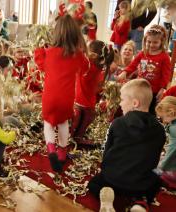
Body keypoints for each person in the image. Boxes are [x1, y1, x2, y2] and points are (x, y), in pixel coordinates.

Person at [88, 79, 166, 211]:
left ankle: (107, 198)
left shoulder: (118, 123)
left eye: (122, 100)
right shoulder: (159, 129)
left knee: (94, 184)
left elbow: (107, 152)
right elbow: (154, 159)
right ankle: (140, 203)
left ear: (135, 103)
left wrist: (105, 170)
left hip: (112, 179)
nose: (120, 104)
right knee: (157, 182)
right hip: (140, 184)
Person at [34, 14, 88, 173]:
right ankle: (62, 153)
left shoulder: (49, 52)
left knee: (48, 124)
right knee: (63, 123)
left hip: (50, 97)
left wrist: (38, 50)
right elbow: (85, 68)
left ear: (56, 33)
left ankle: (51, 148)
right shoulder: (77, 55)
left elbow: (40, 64)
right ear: (75, 34)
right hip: (67, 98)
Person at [118, 25, 172, 114]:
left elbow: (166, 74)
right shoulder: (143, 53)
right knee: (135, 107)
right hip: (139, 87)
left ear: (161, 42)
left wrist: (162, 89)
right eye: (149, 42)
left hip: (153, 90)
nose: (151, 45)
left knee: (149, 111)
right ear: (145, 41)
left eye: (155, 42)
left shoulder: (164, 57)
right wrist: (125, 72)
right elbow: (133, 64)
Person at [72, 40, 115, 146]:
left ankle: (74, 137)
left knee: (76, 122)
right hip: (89, 104)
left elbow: (76, 54)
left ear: (94, 55)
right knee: (84, 122)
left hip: (79, 103)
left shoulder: (87, 66)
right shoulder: (101, 68)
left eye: (87, 49)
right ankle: (78, 137)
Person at [155, 96, 176, 190]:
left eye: (163, 117)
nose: (163, 121)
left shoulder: (173, 128)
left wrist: (161, 167)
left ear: (171, 112)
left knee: (155, 173)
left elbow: (172, 150)